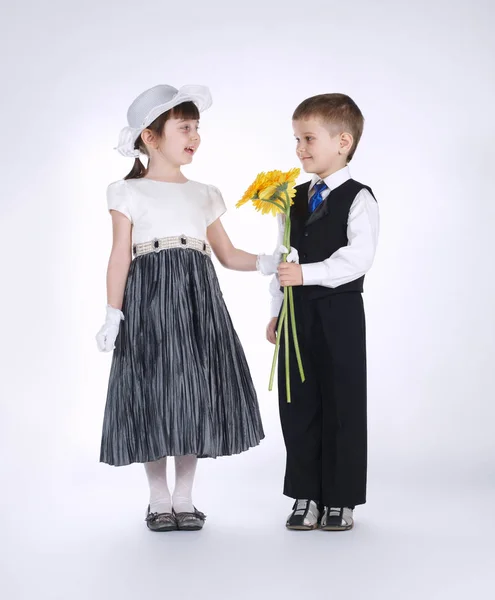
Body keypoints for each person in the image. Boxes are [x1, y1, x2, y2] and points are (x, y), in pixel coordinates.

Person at [96, 84, 282, 532]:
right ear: (150, 137)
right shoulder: (127, 192)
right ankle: (158, 497)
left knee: (192, 389)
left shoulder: (205, 193)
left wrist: (265, 261)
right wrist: (112, 313)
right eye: (184, 127)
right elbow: (120, 254)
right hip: (150, 299)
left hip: (198, 298)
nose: (194, 136)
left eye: (197, 128)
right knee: (155, 390)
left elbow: (226, 253)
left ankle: (184, 497)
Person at [266, 93, 380, 531]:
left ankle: (341, 498)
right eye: (297, 138)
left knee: (342, 402)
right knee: (298, 404)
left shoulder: (359, 197)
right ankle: (305, 494)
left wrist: (306, 274)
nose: (300, 148)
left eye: (309, 138)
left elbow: (360, 257)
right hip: (297, 316)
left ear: (343, 142)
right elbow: (281, 260)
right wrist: (277, 309)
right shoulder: (289, 198)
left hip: (340, 313)